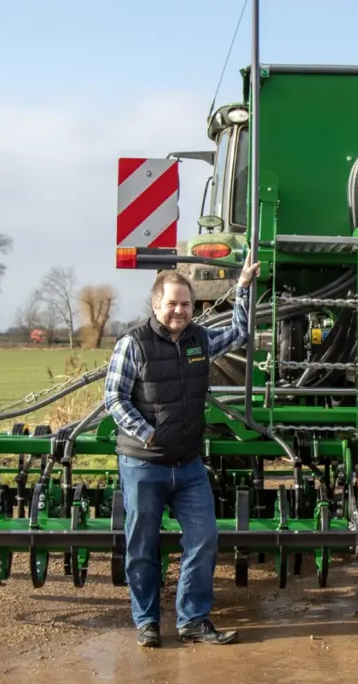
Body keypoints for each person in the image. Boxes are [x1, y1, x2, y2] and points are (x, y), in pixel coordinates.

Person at [104, 256, 259, 648]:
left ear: (194, 307)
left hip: (188, 465)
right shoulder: (133, 344)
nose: (179, 311)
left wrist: (241, 287)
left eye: (186, 304)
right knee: (142, 546)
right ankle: (147, 622)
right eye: (172, 303)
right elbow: (114, 398)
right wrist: (146, 432)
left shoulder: (200, 340)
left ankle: (192, 619)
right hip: (144, 463)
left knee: (204, 538)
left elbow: (240, 333)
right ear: (156, 305)